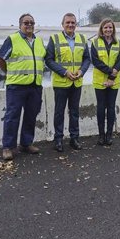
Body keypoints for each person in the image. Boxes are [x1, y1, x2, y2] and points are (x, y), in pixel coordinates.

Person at [0, 13, 46, 161]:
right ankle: (8, 147)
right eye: (26, 23)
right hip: (16, 86)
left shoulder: (39, 41)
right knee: (12, 116)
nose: (29, 25)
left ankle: (26, 143)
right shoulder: (12, 39)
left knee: (31, 115)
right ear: (20, 25)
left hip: (35, 85)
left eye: (31, 23)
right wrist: (9, 72)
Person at [45, 13, 91, 152]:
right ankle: (58, 139)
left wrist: (81, 72)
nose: (70, 25)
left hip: (76, 82)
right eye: (68, 23)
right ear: (62, 24)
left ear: (76, 24)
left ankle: (74, 138)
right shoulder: (55, 39)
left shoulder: (82, 39)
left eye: (73, 23)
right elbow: (49, 60)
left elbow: (87, 59)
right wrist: (65, 72)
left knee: (74, 111)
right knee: (59, 112)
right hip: (61, 82)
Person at [90, 18, 120, 146]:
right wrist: (110, 72)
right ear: (101, 29)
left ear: (113, 29)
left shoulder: (119, 43)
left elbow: (119, 62)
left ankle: (109, 135)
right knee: (100, 108)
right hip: (100, 81)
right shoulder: (95, 43)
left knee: (110, 108)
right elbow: (95, 61)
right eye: (105, 27)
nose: (108, 29)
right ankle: (101, 135)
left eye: (110, 27)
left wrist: (112, 78)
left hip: (114, 81)